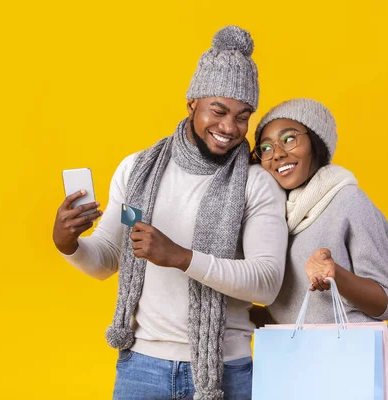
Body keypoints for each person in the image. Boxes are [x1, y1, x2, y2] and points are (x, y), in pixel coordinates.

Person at [52, 26, 288, 400]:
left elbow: (266, 281)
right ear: (192, 102)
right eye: (218, 110)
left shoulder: (256, 184)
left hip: (226, 371)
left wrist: (181, 258)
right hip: (141, 369)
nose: (229, 127)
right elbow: (109, 259)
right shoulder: (138, 170)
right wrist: (69, 245)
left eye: (243, 116)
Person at [251, 98, 388, 399]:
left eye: (289, 138)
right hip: (306, 367)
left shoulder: (348, 201)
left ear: (315, 143)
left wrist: (335, 274)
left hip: (364, 368)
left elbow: (387, 302)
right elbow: (294, 312)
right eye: (266, 147)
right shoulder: (273, 217)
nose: (278, 154)